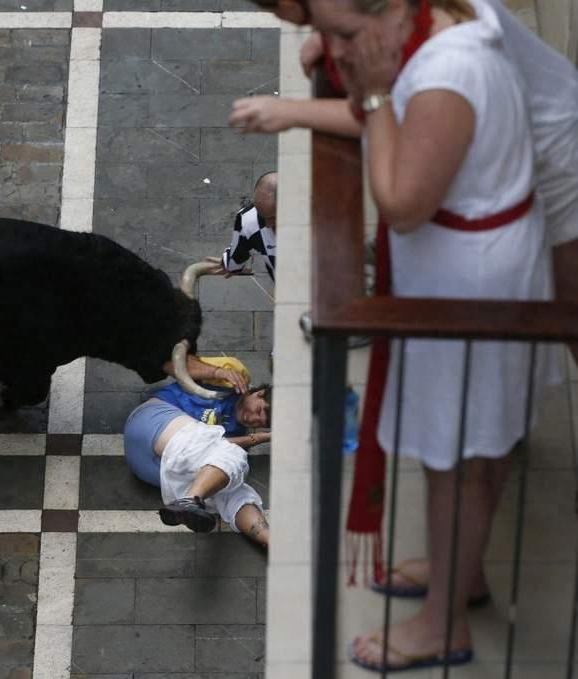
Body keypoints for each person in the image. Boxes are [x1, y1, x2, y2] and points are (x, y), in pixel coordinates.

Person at [232, 0, 578, 636]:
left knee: (461, 460)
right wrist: (353, 85)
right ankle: (459, 573)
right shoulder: (425, 37)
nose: (329, 52)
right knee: (466, 451)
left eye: (339, 35)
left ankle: (443, 620)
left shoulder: (447, 71)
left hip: (479, 285)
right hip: (472, 277)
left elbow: (404, 199)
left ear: (390, 15)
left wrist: (371, 94)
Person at [123, 355, 272, 548]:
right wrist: (218, 372)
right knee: (234, 455)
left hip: (152, 469)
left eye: (262, 423)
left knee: (230, 486)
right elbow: (172, 363)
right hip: (151, 422)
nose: (255, 419)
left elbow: (209, 449)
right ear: (258, 393)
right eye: (259, 410)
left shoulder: (236, 434)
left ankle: (270, 541)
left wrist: (261, 437)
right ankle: (189, 500)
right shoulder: (230, 380)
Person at [205, 172, 278, 282]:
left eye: (273, 217)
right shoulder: (248, 219)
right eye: (262, 216)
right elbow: (238, 254)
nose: (267, 225)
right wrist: (229, 264)